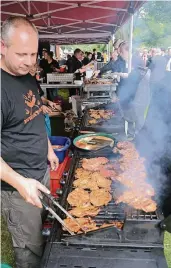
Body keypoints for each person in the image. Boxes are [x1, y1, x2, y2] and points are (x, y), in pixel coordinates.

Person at [1, 16, 59, 268]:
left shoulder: (26, 75)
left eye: (33, 54)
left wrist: (48, 149)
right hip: (18, 186)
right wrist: (20, 183)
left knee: (45, 233)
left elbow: (34, 115)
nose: (29, 61)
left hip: (40, 172)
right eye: (22, 53)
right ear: (2, 47)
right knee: (30, 247)